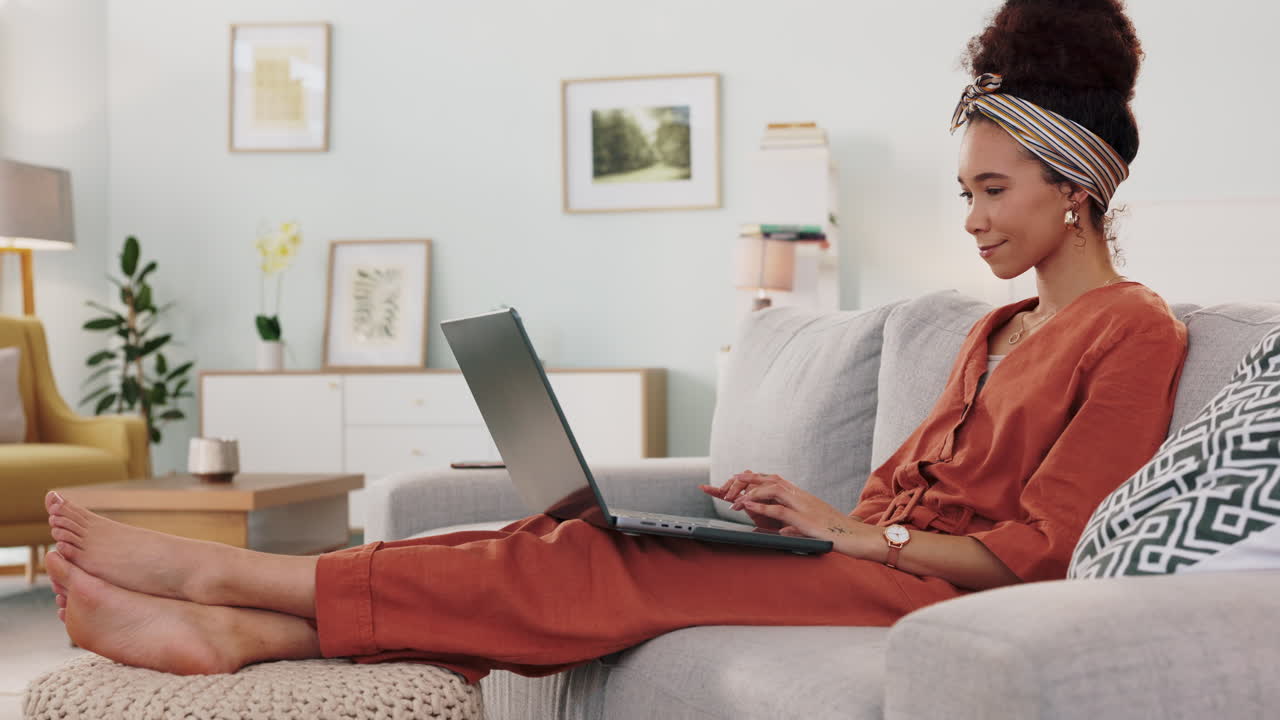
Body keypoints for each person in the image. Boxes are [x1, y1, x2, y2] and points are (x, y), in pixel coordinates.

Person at [41, 0, 1186, 681]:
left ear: (1075, 187)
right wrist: (806, 520)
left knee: (596, 559)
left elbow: (1036, 552)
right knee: (542, 529)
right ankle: (247, 638)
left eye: (991, 191)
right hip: (859, 562)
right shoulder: (993, 322)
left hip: (936, 601)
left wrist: (851, 535)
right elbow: (894, 497)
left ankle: (220, 572)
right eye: (964, 192)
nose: (972, 217)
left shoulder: (1130, 330)